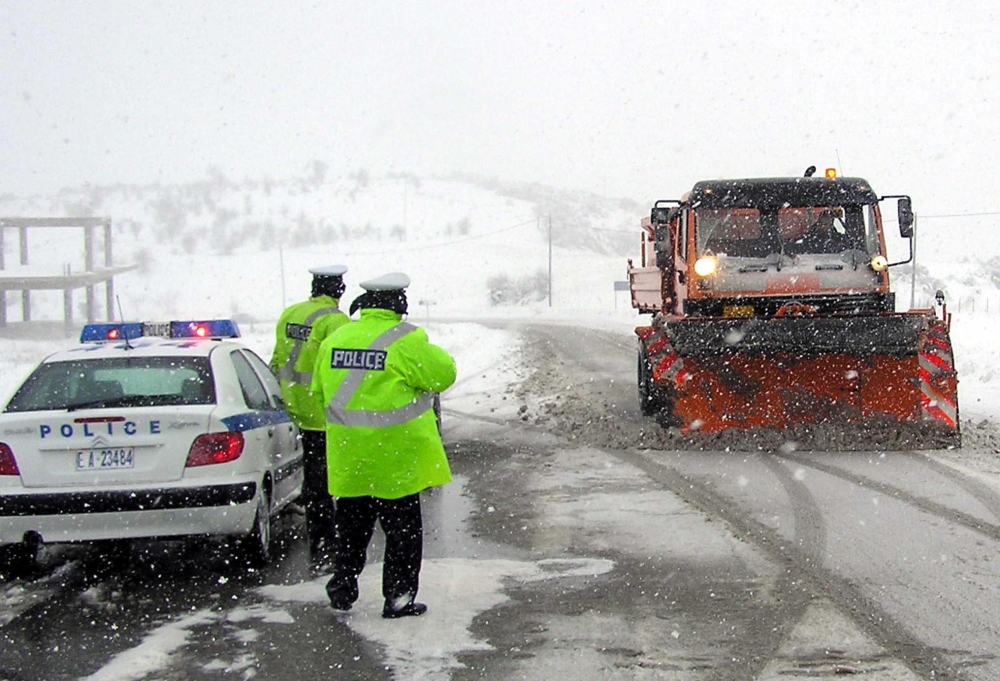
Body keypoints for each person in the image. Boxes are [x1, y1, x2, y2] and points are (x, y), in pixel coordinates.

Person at [312, 272, 456, 619]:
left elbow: (319, 392)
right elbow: (444, 374)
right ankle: (398, 598)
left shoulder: (336, 338)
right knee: (403, 535)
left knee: (351, 531)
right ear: (398, 303)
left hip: (351, 458)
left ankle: (343, 586)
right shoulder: (406, 340)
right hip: (396, 460)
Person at [271, 265, 350, 568]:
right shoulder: (335, 320)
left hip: (297, 408)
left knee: (315, 480)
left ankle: (319, 540)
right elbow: (340, 369)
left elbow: (278, 358)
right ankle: (330, 543)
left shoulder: (289, 313)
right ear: (338, 291)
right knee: (335, 482)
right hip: (325, 413)